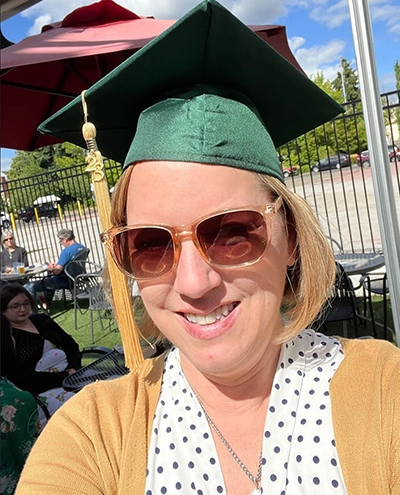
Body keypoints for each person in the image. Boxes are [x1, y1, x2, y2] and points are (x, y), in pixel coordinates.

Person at [17, 1, 400, 494]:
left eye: (231, 232)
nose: (194, 283)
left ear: (293, 240)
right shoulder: (95, 436)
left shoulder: (382, 393)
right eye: (150, 244)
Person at [1, 284, 80, 416]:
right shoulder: (8, 339)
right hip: (42, 391)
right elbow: (22, 377)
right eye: (15, 306)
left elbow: (70, 344)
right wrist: (65, 377)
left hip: (74, 374)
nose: (23, 309)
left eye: (26, 303)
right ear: (3, 310)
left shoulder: (42, 320)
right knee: (80, 404)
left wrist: (74, 368)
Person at [24, 228, 86, 309]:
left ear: (65, 240)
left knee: (28, 286)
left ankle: (33, 311)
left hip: (65, 280)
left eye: (60, 241)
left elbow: (57, 271)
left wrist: (51, 268)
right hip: (77, 278)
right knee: (50, 277)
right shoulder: (82, 247)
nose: (61, 243)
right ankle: (47, 301)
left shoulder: (66, 252)